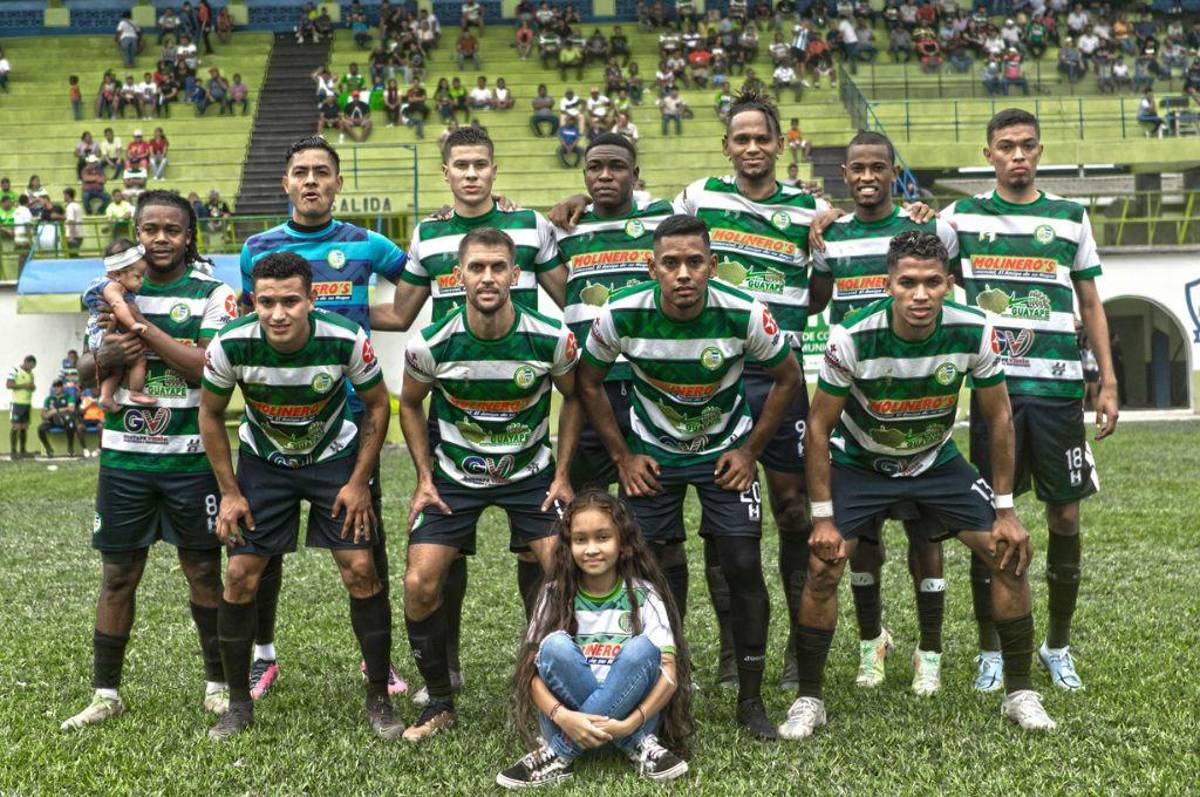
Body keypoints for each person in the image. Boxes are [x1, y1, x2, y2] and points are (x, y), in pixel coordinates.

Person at [781, 230, 1056, 739]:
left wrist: (1006, 509)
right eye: (908, 282)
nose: (920, 294)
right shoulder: (851, 337)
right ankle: (809, 699)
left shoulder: (974, 329)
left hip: (936, 462)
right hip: (862, 464)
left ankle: (1019, 692)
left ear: (949, 283)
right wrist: (822, 517)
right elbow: (818, 428)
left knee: (1007, 552)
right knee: (823, 565)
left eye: (932, 282)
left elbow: (999, 418)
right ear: (888, 284)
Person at [577, 213, 801, 739]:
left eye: (695, 262)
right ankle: (669, 689)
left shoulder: (745, 311)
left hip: (723, 451)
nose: (683, 273)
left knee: (742, 563)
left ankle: (750, 700)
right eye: (671, 263)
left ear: (712, 266)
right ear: (651, 267)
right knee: (649, 573)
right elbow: (588, 381)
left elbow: (788, 378)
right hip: (653, 454)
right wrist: (623, 457)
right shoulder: (620, 313)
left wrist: (750, 451)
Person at [941, 109, 1118, 693]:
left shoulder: (1070, 216)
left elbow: (1090, 303)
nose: (1017, 155)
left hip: (1059, 391)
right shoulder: (960, 217)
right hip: (994, 394)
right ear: (988, 154)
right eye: (1005, 146)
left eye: (1026, 146)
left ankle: (1057, 646)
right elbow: (911, 259)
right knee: (990, 519)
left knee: (1065, 515)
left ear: (1040, 151)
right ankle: (991, 649)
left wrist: (1108, 381)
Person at [199, 252, 398, 741]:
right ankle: (238, 705)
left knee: (361, 569)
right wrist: (229, 492)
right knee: (240, 575)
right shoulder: (230, 343)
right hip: (263, 464)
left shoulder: (346, 337)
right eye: (266, 302)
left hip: (333, 460)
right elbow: (210, 414)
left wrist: (359, 482)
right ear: (253, 302)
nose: (278, 313)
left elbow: (377, 405)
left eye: (290, 301)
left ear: (311, 299)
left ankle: (379, 696)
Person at [59, 190, 238, 732]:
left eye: (172, 230)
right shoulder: (107, 289)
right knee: (118, 576)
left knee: (203, 571)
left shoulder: (213, 292)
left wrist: (142, 332)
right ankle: (106, 694)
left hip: (191, 461)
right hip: (125, 463)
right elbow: (85, 369)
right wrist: (107, 355)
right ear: (136, 233)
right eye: (150, 229)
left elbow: (208, 368)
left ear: (189, 236)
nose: (160, 239)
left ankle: (218, 686)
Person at [239, 136, 410, 702]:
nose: (311, 180)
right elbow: (252, 316)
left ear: (338, 182)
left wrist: (367, 316)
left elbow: (419, 282)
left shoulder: (367, 243)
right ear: (285, 183)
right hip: (279, 419)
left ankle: (377, 661)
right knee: (263, 549)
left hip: (352, 419)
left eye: (321, 172)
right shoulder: (257, 247)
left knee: (365, 543)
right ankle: (263, 655)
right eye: (300, 172)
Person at [398, 227, 580, 741]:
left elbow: (575, 397)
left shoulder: (551, 336)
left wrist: (563, 474)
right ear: (458, 276)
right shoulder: (431, 343)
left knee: (565, 572)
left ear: (515, 274)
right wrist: (424, 478)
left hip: (531, 476)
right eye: (476, 267)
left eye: (498, 267)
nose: (487, 277)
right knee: (419, 582)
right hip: (455, 478)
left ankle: (555, 689)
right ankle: (439, 701)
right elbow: (409, 404)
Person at [807, 132, 958, 694]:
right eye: (858, 169)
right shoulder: (831, 235)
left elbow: (952, 283)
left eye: (878, 168)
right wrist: (816, 224)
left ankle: (929, 650)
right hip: (856, 407)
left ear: (895, 173)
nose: (868, 177)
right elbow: (815, 300)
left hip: (916, 401)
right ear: (844, 175)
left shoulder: (924, 228)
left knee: (927, 533)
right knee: (863, 536)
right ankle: (872, 642)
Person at [497, 491, 692, 787]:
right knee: (554, 646)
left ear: (623, 542)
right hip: (567, 722)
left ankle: (558, 753)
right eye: (580, 540)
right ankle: (635, 744)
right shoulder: (553, 593)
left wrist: (628, 724)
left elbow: (669, 675)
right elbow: (530, 675)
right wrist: (564, 717)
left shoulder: (645, 594)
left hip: (632, 720)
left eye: (602, 538)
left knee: (642, 649)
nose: (591, 549)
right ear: (568, 545)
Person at [552, 133, 671, 495]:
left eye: (616, 167)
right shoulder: (563, 229)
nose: (604, 175)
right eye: (595, 168)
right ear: (584, 175)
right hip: (589, 384)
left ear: (634, 175)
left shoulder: (664, 218)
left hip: (649, 382)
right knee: (586, 503)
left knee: (651, 503)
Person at [83, 241, 158, 412]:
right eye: (137, 277)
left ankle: (106, 397)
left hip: (98, 335)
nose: (142, 281)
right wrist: (133, 323)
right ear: (118, 274)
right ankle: (136, 392)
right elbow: (118, 305)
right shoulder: (113, 287)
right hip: (106, 334)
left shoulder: (102, 283)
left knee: (117, 369)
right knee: (139, 358)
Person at [38, 380, 78, 457]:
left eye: (58, 386)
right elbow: (43, 412)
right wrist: (45, 415)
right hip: (52, 420)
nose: (56, 388)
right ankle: (48, 449)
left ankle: (70, 448)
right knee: (40, 429)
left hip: (65, 420)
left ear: (62, 387)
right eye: (54, 386)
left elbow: (71, 408)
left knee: (71, 425)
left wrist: (55, 411)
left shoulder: (68, 397)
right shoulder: (49, 399)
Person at [7, 355, 35, 458]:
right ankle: (13, 452)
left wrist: (32, 387)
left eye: (33, 367)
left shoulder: (31, 374)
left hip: (27, 404)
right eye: (30, 366)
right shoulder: (15, 370)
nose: (31, 368)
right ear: (26, 362)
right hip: (16, 403)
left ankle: (23, 451)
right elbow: (9, 385)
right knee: (16, 427)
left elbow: (31, 387)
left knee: (24, 427)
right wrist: (24, 385)